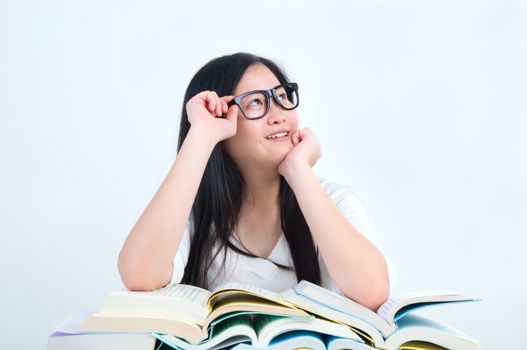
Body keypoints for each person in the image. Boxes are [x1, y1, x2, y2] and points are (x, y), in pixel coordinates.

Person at [118, 52, 397, 311]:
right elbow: (140, 276)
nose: (279, 116)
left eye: (282, 97)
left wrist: (299, 171)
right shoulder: (190, 212)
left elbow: (371, 292)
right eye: (256, 102)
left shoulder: (333, 200)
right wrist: (201, 134)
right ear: (221, 118)